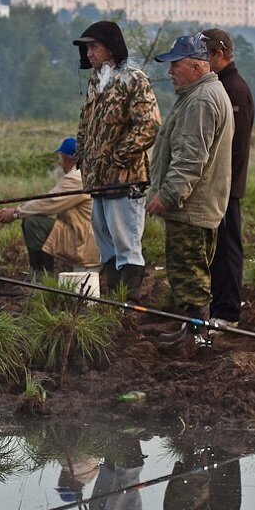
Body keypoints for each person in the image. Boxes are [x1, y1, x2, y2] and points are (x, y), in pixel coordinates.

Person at [146, 34, 234, 354]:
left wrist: (167, 196)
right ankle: (191, 332)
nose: (170, 71)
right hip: (195, 206)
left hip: (190, 208)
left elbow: (190, 159)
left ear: (197, 67)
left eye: (176, 64)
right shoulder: (200, 93)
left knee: (191, 277)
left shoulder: (201, 100)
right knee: (191, 275)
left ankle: (198, 341)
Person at [72, 21, 161, 301]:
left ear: (110, 48)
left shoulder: (133, 79)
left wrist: (118, 157)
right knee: (105, 245)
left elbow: (149, 124)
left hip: (126, 181)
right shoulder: (96, 81)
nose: (89, 53)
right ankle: (113, 300)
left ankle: (128, 305)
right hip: (97, 181)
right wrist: (83, 155)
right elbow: (86, 124)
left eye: (94, 46)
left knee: (126, 246)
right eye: (87, 48)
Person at [202, 28, 255, 331]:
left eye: (203, 56)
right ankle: (219, 305)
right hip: (220, 185)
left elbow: (236, 146)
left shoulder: (233, 89)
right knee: (218, 248)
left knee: (227, 248)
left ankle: (228, 311)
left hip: (227, 187)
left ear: (218, 55)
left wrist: (222, 185)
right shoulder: (223, 85)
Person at [0, 137, 100, 278]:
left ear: (69, 158)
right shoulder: (86, 174)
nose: (59, 162)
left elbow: (49, 202)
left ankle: (42, 277)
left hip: (86, 242)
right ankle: (37, 275)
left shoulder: (77, 177)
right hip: (90, 238)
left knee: (33, 223)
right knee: (35, 219)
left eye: (60, 157)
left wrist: (15, 212)